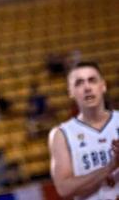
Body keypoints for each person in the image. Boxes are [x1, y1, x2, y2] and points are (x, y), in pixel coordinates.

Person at [48, 61, 118, 199]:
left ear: (103, 85)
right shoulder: (61, 134)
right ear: (70, 92)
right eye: (79, 83)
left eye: (92, 80)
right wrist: (110, 167)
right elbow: (63, 189)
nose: (87, 88)